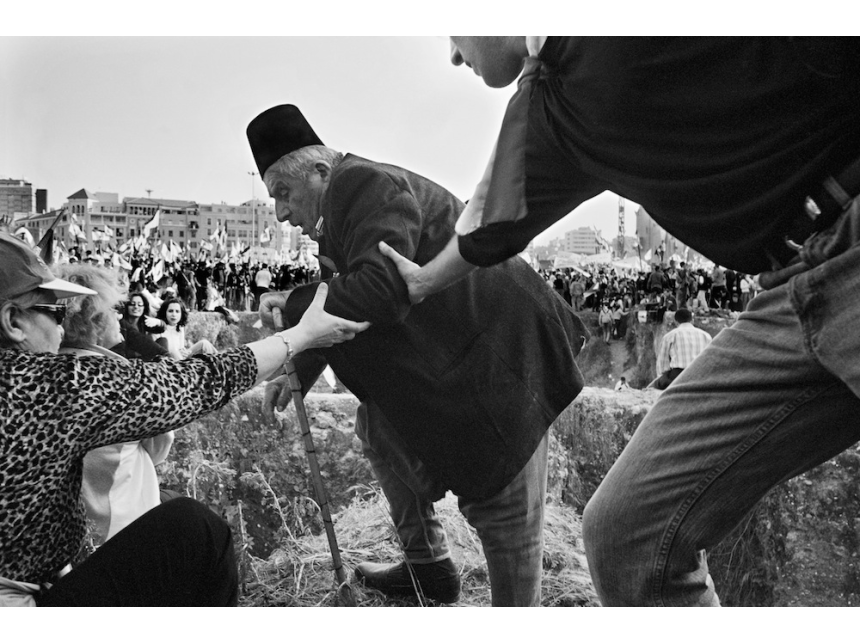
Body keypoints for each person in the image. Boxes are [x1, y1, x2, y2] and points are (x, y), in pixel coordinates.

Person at [379, 37, 860, 607]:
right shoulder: (551, 105)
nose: (455, 57)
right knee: (628, 531)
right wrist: (422, 282)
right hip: (787, 289)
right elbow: (490, 224)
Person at [248, 105, 587, 607]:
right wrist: (300, 366)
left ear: (319, 171)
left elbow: (382, 288)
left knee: (504, 515)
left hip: (503, 357)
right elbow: (338, 296)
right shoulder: (335, 208)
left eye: (283, 193)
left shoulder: (364, 185)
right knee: (377, 429)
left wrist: (292, 303)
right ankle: (427, 567)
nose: (280, 212)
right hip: (462, 355)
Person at [0, 231, 369, 608]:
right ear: (13, 321)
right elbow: (205, 381)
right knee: (196, 528)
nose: (61, 327)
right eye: (54, 312)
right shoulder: (50, 384)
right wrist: (301, 335)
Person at [55, 263, 176, 547]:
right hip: (121, 531)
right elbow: (160, 446)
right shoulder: (125, 380)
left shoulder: (41, 371)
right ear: (95, 321)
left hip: (64, 537)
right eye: (113, 310)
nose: (119, 316)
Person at [653, 309, 712, 391]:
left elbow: (662, 363)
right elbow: (710, 359)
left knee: (656, 384)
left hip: (678, 375)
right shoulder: (706, 335)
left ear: (676, 321)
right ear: (692, 320)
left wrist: (663, 378)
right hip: (700, 374)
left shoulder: (670, 336)